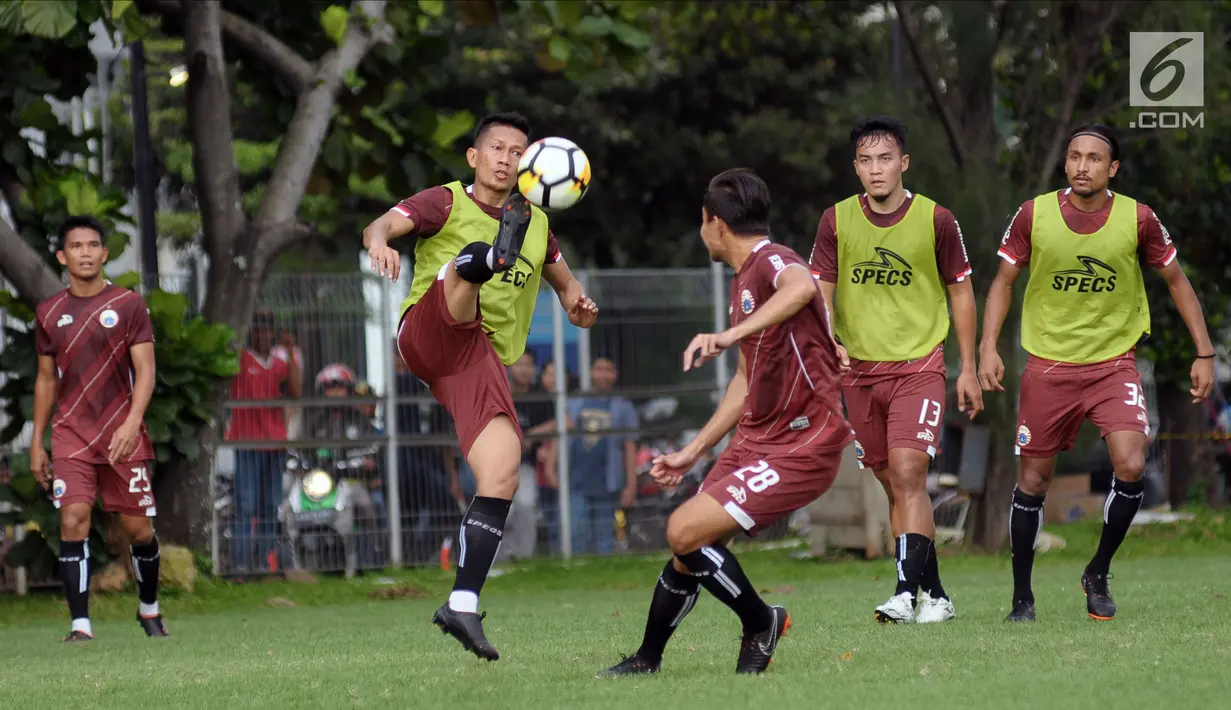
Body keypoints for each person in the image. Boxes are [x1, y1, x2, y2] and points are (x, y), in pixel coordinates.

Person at [362, 111, 599, 660]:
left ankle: (462, 605)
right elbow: (379, 226)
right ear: (474, 156)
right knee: (463, 270)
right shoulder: (444, 202)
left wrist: (581, 309)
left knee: (502, 471)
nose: (506, 158)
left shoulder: (539, 225)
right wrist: (381, 243)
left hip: (479, 358)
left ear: (529, 165)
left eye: (518, 152)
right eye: (497, 148)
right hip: (430, 330)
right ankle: (487, 257)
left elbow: (570, 293)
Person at [599, 169, 853, 677]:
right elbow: (745, 379)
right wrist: (696, 450)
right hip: (757, 438)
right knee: (689, 548)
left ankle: (762, 623)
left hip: (805, 440)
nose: (701, 230)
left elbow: (802, 286)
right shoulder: (742, 282)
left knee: (682, 530)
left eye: (702, 220)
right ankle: (648, 660)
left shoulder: (771, 260)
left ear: (715, 224)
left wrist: (728, 331)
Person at [980, 124, 1216, 622]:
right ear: (1065, 163)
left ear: (1113, 169)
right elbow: (1003, 280)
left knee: (1130, 464)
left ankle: (1098, 570)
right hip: (1048, 364)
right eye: (1074, 157)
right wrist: (986, 346)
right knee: (1035, 479)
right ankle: (1022, 598)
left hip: (1113, 364)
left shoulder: (1139, 218)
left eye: (1093, 158)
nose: (1082, 166)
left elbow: (1176, 280)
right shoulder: (1034, 214)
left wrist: (1204, 352)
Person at [810, 116, 981, 624]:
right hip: (859, 373)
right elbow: (821, 287)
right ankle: (937, 595)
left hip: (919, 365)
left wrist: (968, 366)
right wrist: (829, 337)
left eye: (885, 159)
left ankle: (905, 593)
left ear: (904, 163)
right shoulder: (835, 220)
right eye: (866, 160)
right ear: (856, 167)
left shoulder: (937, 220)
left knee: (909, 473)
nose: (876, 169)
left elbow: (961, 291)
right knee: (895, 487)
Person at [30, 216, 167, 641]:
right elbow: (46, 379)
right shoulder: (48, 312)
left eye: (93, 245)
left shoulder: (128, 305)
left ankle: (149, 609)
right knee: (73, 518)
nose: (86, 253)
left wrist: (132, 423)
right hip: (71, 433)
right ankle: (80, 625)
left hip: (121, 433)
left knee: (137, 530)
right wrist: (38, 442)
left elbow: (145, 371)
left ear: (104, 253)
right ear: (62, 256)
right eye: (77, 246)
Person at [226, 309, 302, 574]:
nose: (263, 334)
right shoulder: (241, 359)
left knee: (270, 506)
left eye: (268, 329)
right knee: (246, 506)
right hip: (247, 443)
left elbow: (295, 391)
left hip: (274, 444)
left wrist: (291, 353)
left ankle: (262, 564)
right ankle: (240, 566)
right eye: (258, 328)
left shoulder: (279, 364)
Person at [567, 356, 639, 555]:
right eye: (599, 369)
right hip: (577, 481)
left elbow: (630, 447)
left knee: (605, 537)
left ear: (615, 375)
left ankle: (605, 574)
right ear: (591, 372)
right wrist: (551, 466)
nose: (603, 374)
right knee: (576, 533)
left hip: (608, 483)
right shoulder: (575, 402)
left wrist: (631, 485)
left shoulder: (623, 406)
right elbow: (561, 434)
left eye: (609, 369)